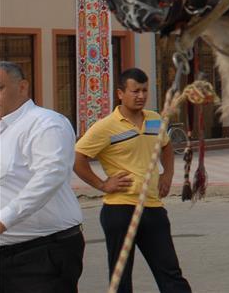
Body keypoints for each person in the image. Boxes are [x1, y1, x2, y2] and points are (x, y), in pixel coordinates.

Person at [74, 67, 191, 293]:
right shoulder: (105, 126)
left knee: (171, 274)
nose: (141, 96)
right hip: (120, 210)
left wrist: (167, 174)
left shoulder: (155, 120)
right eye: (135, 91)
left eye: (144, 90)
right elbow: (78, 159)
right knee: (121, 279)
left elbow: (166, 146)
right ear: (120, 93)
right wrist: (102, 184)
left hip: (153, 208)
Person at [0, 61, 85, 292]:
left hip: (41, 253)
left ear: (23, 87)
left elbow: (50, 174)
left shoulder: (45, 123)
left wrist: (4, 220)